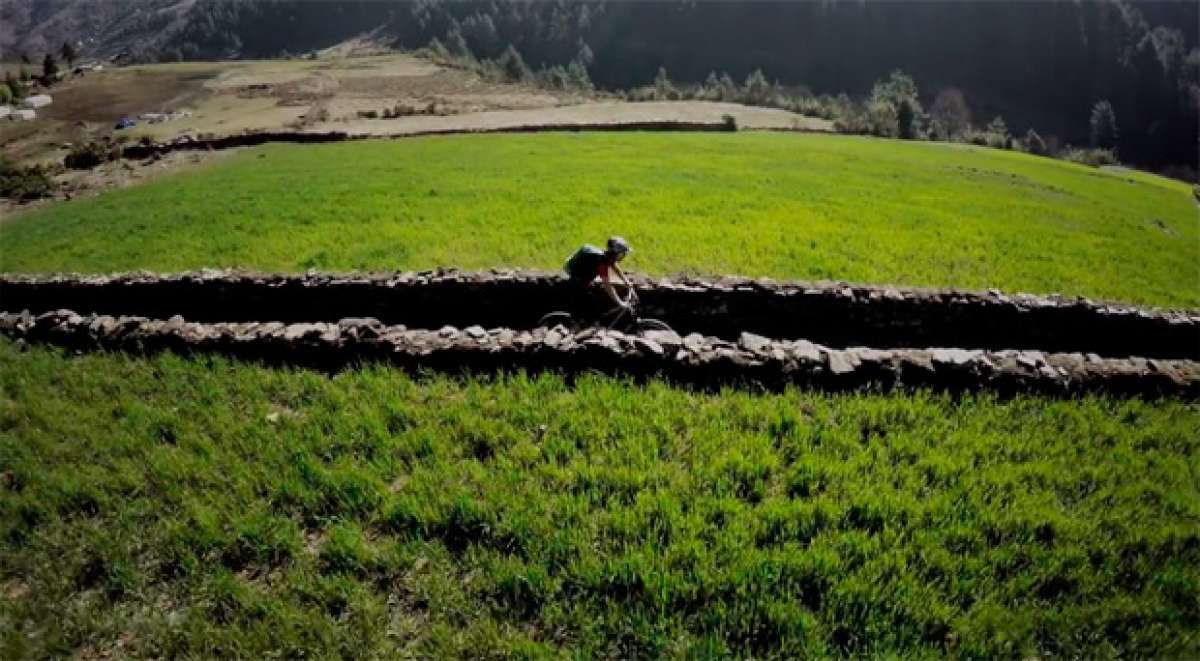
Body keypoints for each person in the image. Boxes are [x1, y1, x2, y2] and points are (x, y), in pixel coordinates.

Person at [563, 236, 637, 322]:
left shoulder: (607, 257)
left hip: (583, 270)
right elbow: (607, 285)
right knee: (586, 306)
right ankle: (578, 326)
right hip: (578, 276)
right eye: (623, 253)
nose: (624, 256)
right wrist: (620, 303)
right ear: (616, 253)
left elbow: (614, 265)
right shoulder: (601, 261)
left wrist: (626, 281)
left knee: (594, 299)